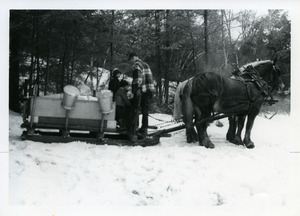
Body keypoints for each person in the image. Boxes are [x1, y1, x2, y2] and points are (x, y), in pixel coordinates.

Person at [128, 52, 155, 138]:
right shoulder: (146, 64)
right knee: (145, 111)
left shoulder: (137, 65)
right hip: (148, 90)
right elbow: (150, 78)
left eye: (131, 59)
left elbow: (138, 79)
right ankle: (144, 128)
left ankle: (135, 128)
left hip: (140, 91)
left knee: (136, 109)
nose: (132, 61)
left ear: (134, 57)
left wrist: (135, 90)